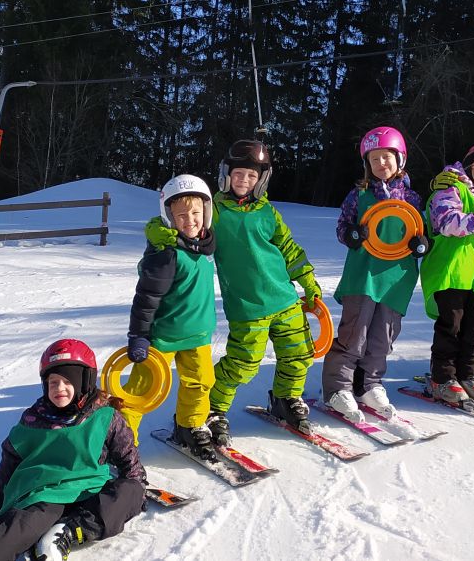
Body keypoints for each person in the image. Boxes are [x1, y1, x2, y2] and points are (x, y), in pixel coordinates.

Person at [148, 139, 321, 442]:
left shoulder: (268, 212)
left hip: (286, 299)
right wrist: (158, 230)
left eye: (252, 176)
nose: (244, 180)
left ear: (262, 179)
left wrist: (307, 280)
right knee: (243, 365)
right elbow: (182, 217)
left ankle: (286, 398)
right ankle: (212, 408)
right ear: (226, 174)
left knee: (299, 354)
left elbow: (289, 248)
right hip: (247, 307)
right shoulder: (213, 211)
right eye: (239, 174)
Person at [0, 339, 146, 561]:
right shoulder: (33, 420)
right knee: (18, 527)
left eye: (67, 381)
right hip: (45, 494)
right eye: (53, 382)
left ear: (85, 381)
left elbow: (128, 460)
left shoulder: (105, 417)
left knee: (130, 491)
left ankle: (69, 531)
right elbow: (8, 467)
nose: (59, 388)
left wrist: (135, 491)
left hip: (91, 491)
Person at [323, 127, 426, 421]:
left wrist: (422, 243)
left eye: (387, 157)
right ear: (367, 164)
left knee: (383, 336)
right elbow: (343, 227)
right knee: (355, 333)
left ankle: (368, 384)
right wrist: (352, 234)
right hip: (364, 275)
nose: (381, 163)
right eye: (375, 158)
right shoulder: (359, 194)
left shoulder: (412, 198)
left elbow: (421, 231)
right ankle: (338, 388)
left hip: (397, 278)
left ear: (400, 159)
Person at [127, 175, 218, 460]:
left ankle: (190, 426)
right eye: (181, 215)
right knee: (142, 391)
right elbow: (146, 297)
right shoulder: (166, 253)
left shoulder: (205, 246)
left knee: (201, 382)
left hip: (198, 335)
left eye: (196, 213)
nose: (190, 220)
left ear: (206, 212)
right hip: (163, 337)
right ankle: (121, 441)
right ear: (169, 217)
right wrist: (138, 335)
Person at [420, 141, 474, 411]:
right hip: (451, 272)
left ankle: (468, 374)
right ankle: (442, 378)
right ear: (470, 162)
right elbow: (446, 222)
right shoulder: (450, 187)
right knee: (451, 327)